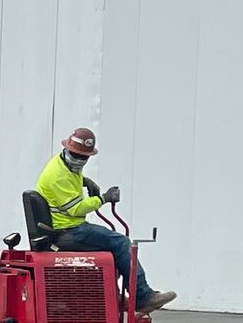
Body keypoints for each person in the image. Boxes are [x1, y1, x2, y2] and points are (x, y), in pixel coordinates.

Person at [37, 128, 176, 312]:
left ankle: (113, 297)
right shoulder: (58, 175)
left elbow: (70, 180)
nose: (79, 160)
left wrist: (85, 181)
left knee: (111, 246)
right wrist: (103, 198)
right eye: (75, 155)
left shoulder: (65, 166)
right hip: (68, 230)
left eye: (83, 157)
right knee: (121, 242)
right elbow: (75, 209)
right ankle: (143, 297)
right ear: (67, 149)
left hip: (65, 227)